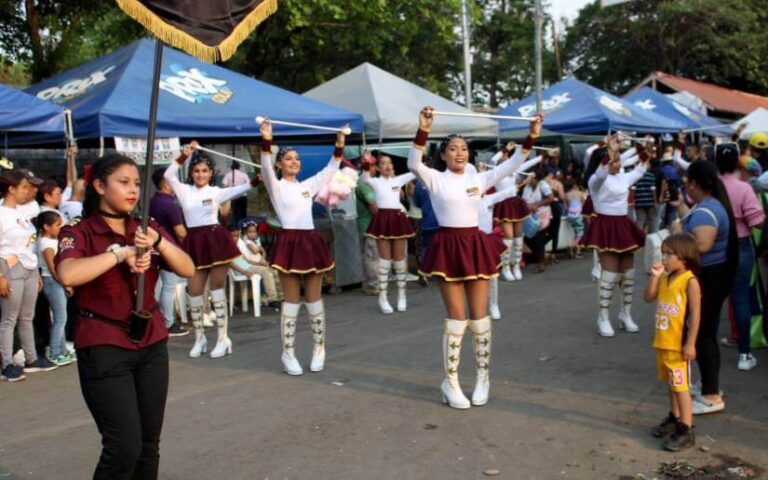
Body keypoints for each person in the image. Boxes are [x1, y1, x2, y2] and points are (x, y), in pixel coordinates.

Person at [55, 154, 194, 479]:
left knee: (148, 445)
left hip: (150, 342)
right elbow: (68, 274)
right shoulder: (79, 231)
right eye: (123, 182)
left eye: (136, 183)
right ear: (100, 186)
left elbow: (187, 268)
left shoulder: (147, 228)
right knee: (123, 446)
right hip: (104, 346)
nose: (133, 190)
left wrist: (157, 241)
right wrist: (121, 253)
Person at [408, 106, 542, 409]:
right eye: (453, 149)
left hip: (474, 245)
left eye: (464, 149)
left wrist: (531, 136)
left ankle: (483, 378)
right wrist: (423, 128)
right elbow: (413, 161)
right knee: (457, 319)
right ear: (443, 155)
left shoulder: (479, 179)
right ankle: (451, 382)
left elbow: (514, 163)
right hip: (447, 246)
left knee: (480, 318)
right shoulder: (433, 178)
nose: (459, 153)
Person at [259, 119, 348, 376]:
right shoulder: (275, 186)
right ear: (280, 164)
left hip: (310, 242)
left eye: (297, 158)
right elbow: (265, 165)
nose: (294, 162)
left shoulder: (307, 186)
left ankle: (319, 349)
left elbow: (330, 170)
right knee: (291, 299)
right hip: (289, 242)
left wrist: (339, 144)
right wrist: (267, 138)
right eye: (288, 158)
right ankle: (288, 353)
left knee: (314, 298)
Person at [165, 143, 256, 358]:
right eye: (196, 170)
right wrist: (184, 154)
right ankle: (200, 338)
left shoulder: (216, 192)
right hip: (194, 242)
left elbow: (244, 188)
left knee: (216, 288)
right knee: (194, 291)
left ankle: (223, 338)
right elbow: (169, 174)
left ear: (211, 173)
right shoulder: (183, 190)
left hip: (216, 241)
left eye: (205, 170)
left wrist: (260, 177)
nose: (200, 174)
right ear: (191, 173)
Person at [674, 160, 737, 415]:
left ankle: (711, 395)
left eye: (687, 182)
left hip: (708, 278)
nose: (685, 186)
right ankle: (708, 385)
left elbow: (702, 245)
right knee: (704, 332)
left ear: (694, 184)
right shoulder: (709, 206)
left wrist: (677, 233)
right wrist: (679, 209)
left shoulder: (706, 212)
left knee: (702, 335)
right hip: (714, 276)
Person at [579, 136, 649, 337]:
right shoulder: (596, 180)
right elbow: (601, 173)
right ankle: (603, 317)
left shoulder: (622, 177)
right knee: (609, 275)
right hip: (605, 226)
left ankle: (625, 314)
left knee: (628, 275)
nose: (618, 164)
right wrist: (609, 150)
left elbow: (641, 168)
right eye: (614, 160)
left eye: (619, 160)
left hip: (623, 224)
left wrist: (645, 149)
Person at [644, 233, 701, 452]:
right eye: (663, 254)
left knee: (681, 387)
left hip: (678, 346)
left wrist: (691, 343)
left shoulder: (690, 281)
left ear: (684, 257)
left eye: (669, 254)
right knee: (671, 384)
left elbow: (695, 314)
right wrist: (655, 276)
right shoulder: (665, 278)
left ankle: (686, 429)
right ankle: (674, 418)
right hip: (663, 343)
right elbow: (648, 297)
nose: (664, 258)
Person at [0, 170, 58, 382]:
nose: (28, 191)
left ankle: (32, 358)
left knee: (27, 317)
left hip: (30, 268)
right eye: (24, 187)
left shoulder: (23, 214)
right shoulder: (1, 214)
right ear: (11, 189)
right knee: (9, 319)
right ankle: (7, 363)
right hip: (9, 268)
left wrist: (37, 271)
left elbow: (30, 244)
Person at [715, 143, 764, 371]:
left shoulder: (712, 187)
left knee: (712, 300)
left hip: (714, 246)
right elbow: (758, 222)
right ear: (737, 162)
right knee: (741, 299)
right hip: (741, 246)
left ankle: (707, 350)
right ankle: (744, 355)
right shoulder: (744, 189)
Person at [360, 153, 416, 314]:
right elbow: (364, 177)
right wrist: (366, 162)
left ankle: (401, 296)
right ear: (377, 168)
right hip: (382, 219)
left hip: (397, 219)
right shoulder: (375, 181)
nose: (387, 165)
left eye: (389, 163)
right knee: (384, 261)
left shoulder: (398, 180)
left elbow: (415, 171)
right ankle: (383, 297)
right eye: (383, 163)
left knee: (399, 260)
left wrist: (419, 156)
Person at [149, 168, 188, 337]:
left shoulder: (154, 201)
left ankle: (163, 319)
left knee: (162, 286)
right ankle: (168, 322)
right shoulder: (169, 204)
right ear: (165, 184)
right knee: (169, 287)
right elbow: (180, 232)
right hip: (169, 248)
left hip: (157, 247)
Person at [490, 142, 533, 282]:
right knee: (508, 237)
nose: (506, 157)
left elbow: (526, 163)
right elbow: (493, 160)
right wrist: (504, 150)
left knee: (518, 236)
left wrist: (541, 156)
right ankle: (506, 267)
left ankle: (516, 266)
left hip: (515, 203)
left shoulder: (514, 170)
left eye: (508, 156)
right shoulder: (495, 172)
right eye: (504, 156)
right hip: (504, 205)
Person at [37, 210, 75, 365]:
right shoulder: (46, 244)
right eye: (57, 225)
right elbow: (52, 268)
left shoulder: (51, 241)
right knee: (60, 318)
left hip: (55, 281)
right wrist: (65, 283)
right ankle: (54, 352)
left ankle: (62, 350)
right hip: (53, 282)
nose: (61, 227)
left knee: (61, 317)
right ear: (46, 227)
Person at [229, 219, 281, 308]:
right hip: (244, 269)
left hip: (248, 266)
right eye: (232, 236)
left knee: (274, 270)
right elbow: (230, 263)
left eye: (237, 236)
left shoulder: (239, 243)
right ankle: (273, 299)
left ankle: (280, 296)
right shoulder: (227, 246)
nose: (235, 238)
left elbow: (246, 258)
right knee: (265, 271)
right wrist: (244, 271)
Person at [354, 153, 380, 295]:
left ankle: (367, 282)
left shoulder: (361, 180)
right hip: (369, 225)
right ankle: (373, 284)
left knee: (366, 256)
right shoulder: (365, 182)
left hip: (363, 224)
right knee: (372, 256)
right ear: (371, 166)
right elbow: (372, 203)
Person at [522, 170, 554, 274]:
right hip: (530, 216)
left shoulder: (543, 185)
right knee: (528, 238)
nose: (530, 181)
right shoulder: (527, 187)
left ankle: (541, 265)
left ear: (536, 179)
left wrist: (537, 204)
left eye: (531, 179)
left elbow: (550, 198)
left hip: (542, 214)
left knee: (539, 239)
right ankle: (544, 256)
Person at [221, 161, 250, 228]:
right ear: (239, 167)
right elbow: (248, 184)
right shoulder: (244, 174)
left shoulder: (228, 175)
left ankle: (237, 228)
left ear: (231, 167)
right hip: (243, 196)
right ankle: (244, 227)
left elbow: (224, 185)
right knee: (243, 212)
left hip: (233, 197)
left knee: (235, 214)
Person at [563, 180, 586, 258]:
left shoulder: (566, 195)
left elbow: (565, 207)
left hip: (570, 215)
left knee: (575, 233)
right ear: (574, 186)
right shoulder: (580, 193)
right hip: (578, 214)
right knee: (580, 233)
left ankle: (577, 252)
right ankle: (572, 247)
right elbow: (584, 204)